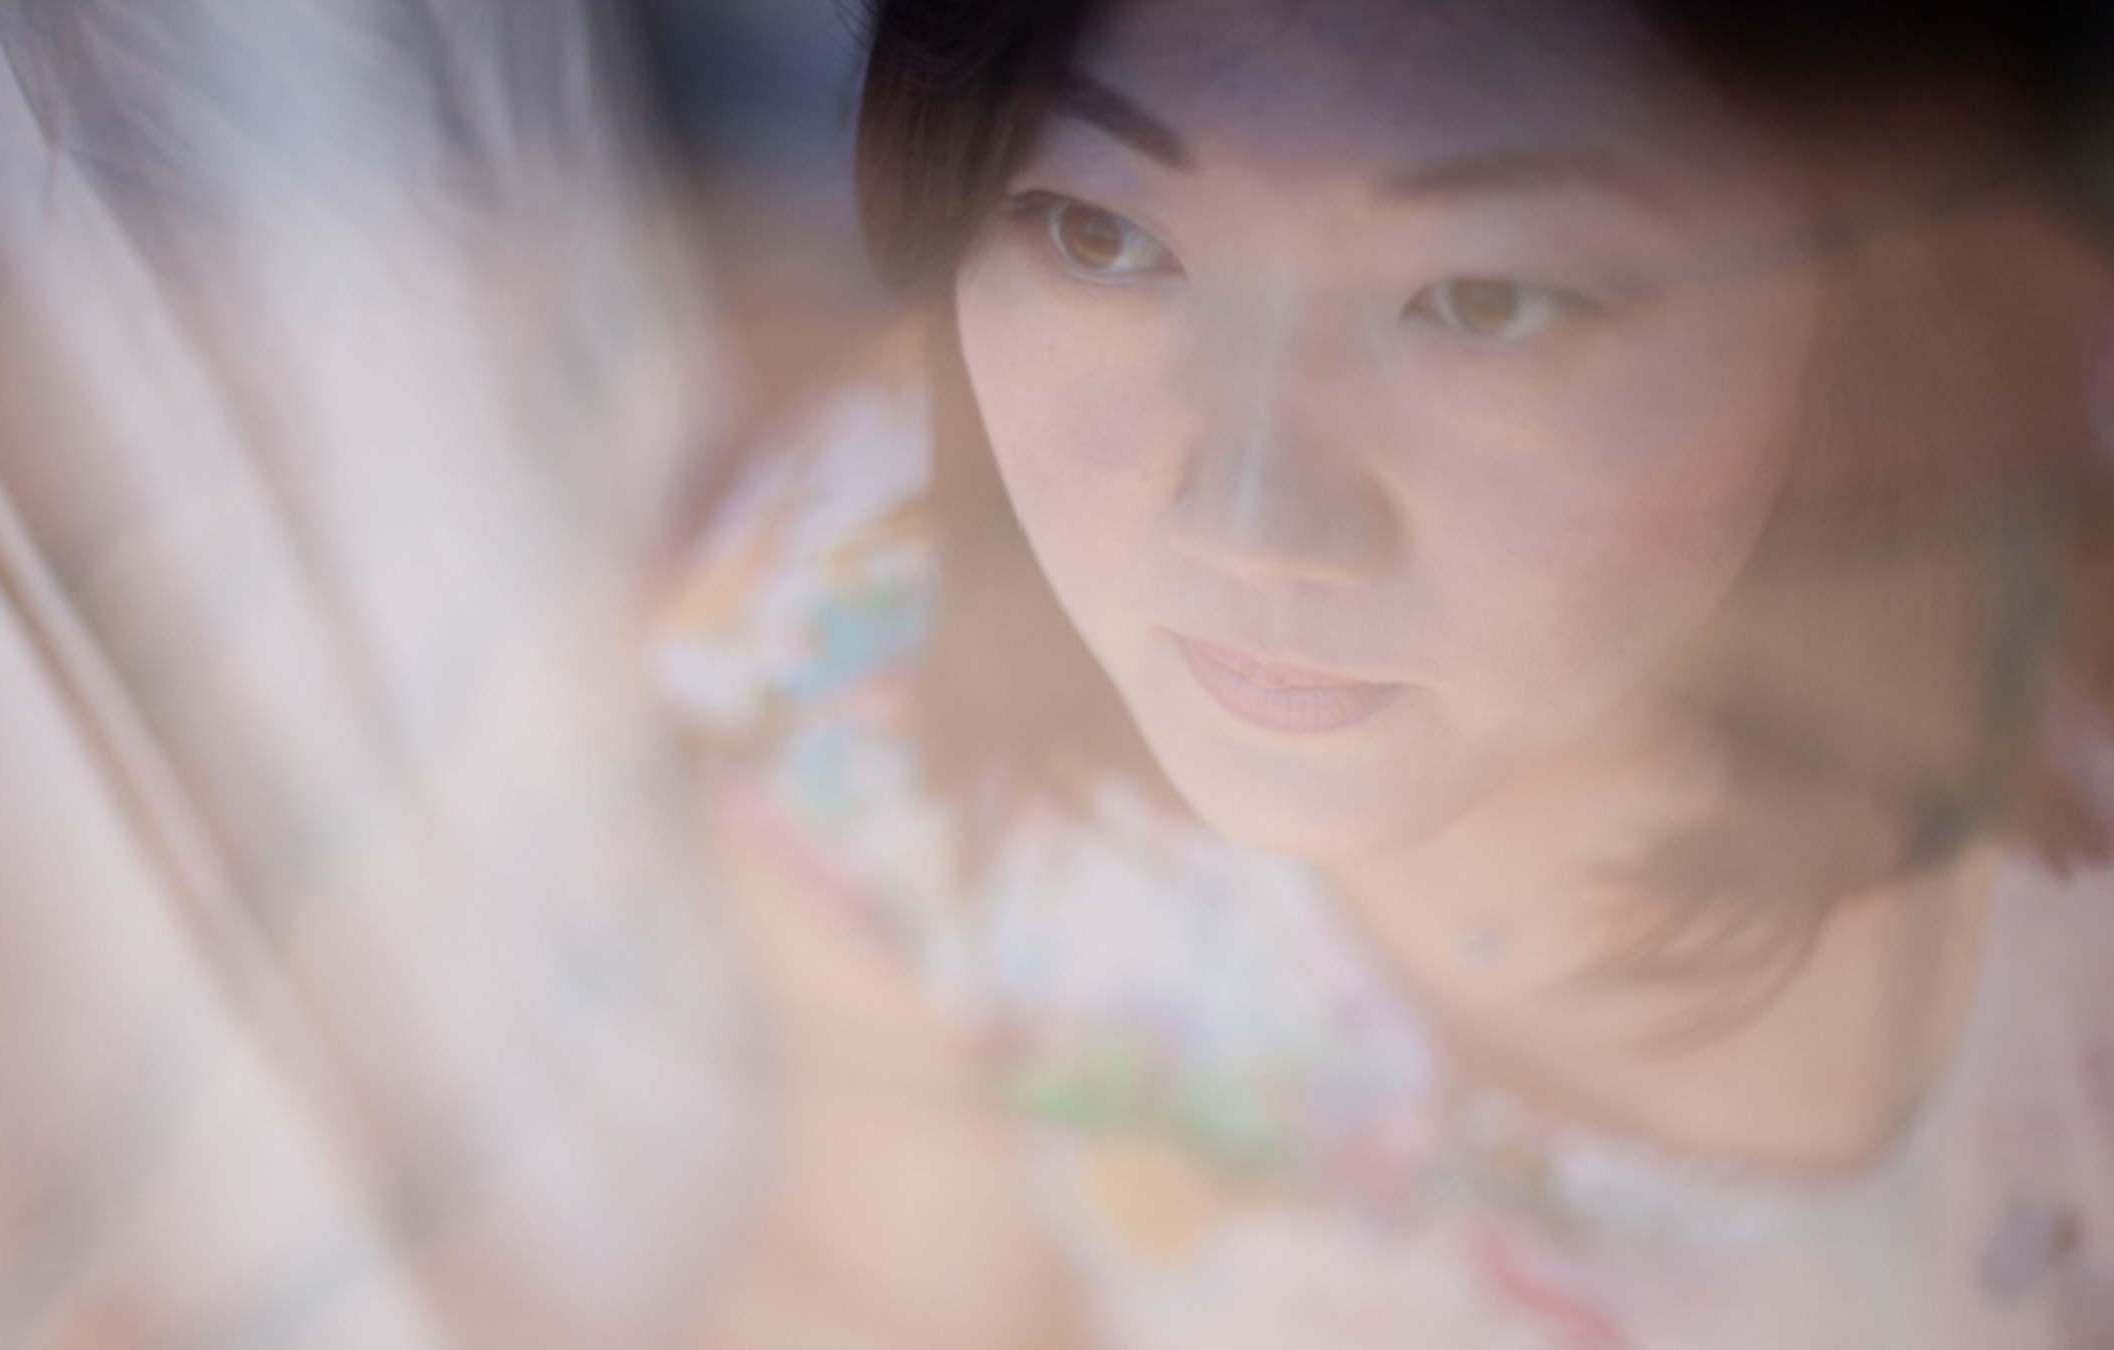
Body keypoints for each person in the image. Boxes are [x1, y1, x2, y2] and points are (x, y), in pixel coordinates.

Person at [659, 0, 2114, 1345]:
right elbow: (882, 1273)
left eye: (1487, 298)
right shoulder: (881, 658)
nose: (1251, 517)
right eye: (1097, 236)